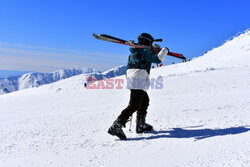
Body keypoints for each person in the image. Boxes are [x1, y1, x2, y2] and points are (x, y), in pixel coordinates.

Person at [108, 33, 169, 140]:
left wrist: (154, 48)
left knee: (144, 101)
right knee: (134, 105)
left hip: (132, 77)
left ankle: (141, 125)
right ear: (147, 42)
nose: (152, 45)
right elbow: (158, 59)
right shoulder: (145, 50)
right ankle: (117, 126)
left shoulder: (135, 51)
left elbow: (146, 55)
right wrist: (164, 50)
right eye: (151, 43)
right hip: (139, 77)